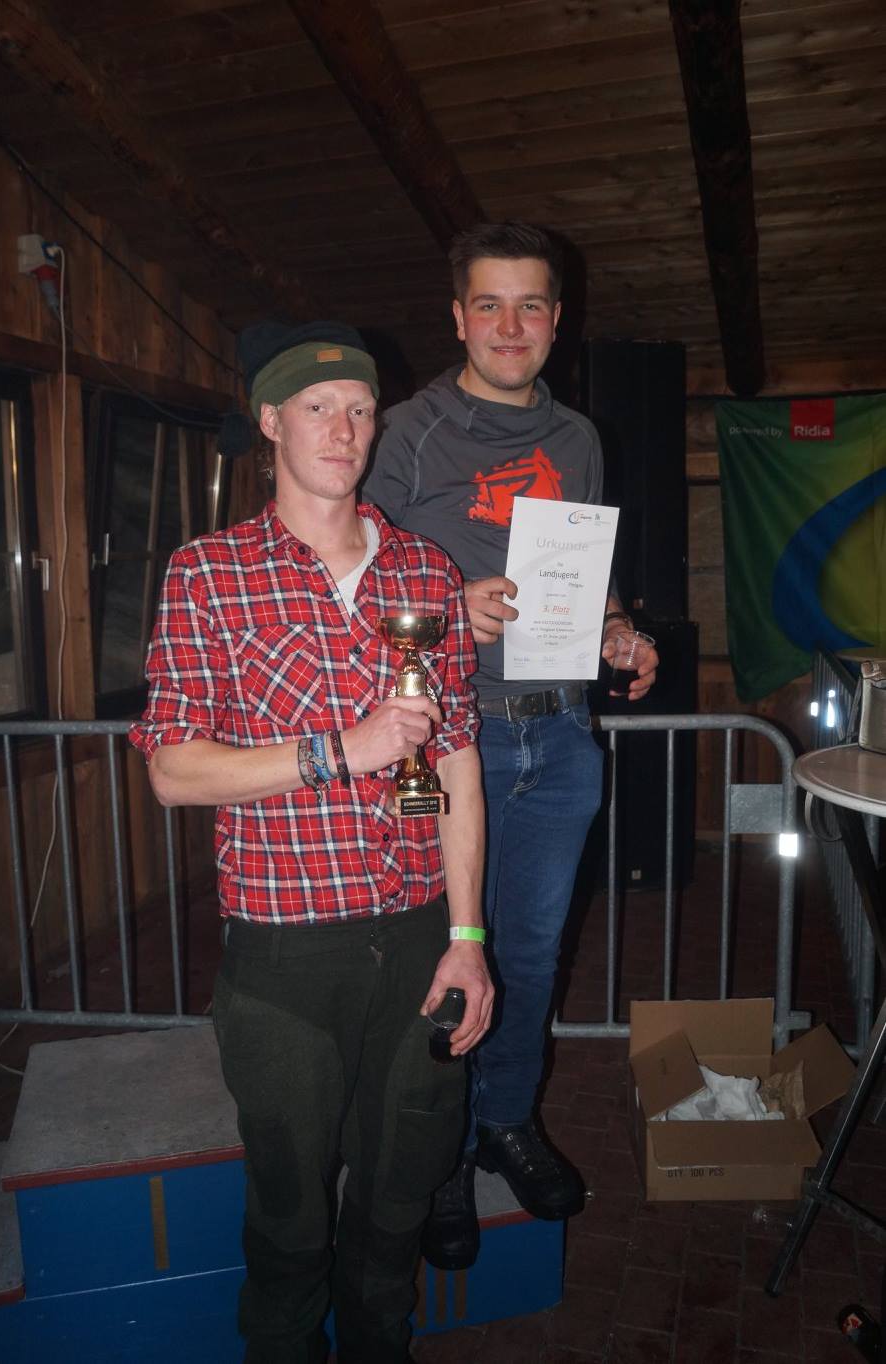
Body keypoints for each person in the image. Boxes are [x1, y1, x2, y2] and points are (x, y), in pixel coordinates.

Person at [129, 319, 494, 1364]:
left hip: (419, 935)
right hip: (285, 953)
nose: (344, 429)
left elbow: (459, 765)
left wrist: (468, 936)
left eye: (361, 409)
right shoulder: (208, 574)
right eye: (319, 407)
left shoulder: (425, 571)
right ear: (270, 422)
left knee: (397, 1199)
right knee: (290, 1217)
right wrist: (341, 750)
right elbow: (173, 769)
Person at [363, 221, 658, 1270]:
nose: (509, 325)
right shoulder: (405, 431)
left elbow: (589, 576)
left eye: (530, 304)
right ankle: (439, 1154)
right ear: (457, 317)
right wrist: (449, 608)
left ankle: (505, 1121)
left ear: (556, 319)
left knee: (531, 955)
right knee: (449, 954)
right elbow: (347, 582)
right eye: (487, 304)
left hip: (562, 734)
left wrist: (618, 629)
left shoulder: (578, 438)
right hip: (453, 737)